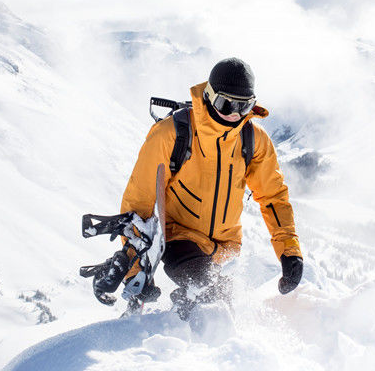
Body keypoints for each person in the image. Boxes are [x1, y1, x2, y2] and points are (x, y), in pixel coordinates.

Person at [99, 58, 303, 317]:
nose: (235, 114)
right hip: (178, 236)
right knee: (207, 295)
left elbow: (273, 196)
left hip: (224, 247)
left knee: (224, 303)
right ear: (209, 96)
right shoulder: (171, 133)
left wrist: (289, 251)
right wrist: (135, 267)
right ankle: (172, 325)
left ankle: (180, 324)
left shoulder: (253, 139)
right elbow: (138, 203)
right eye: (227, 104)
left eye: (244, 106)